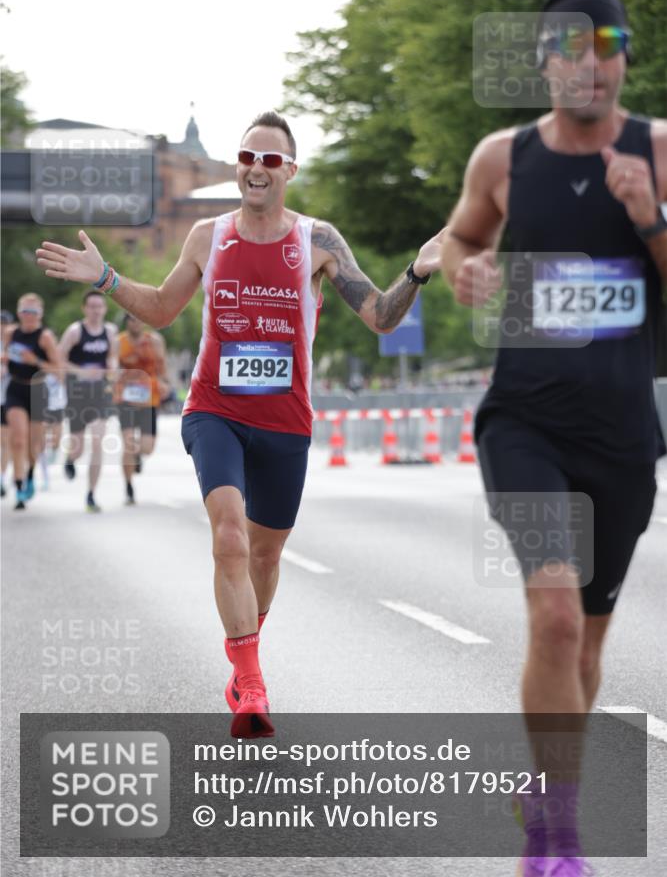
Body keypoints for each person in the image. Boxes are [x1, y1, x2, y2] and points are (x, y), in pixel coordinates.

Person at [36, 110, 443, 738]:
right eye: (248, 157)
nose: (258, 169)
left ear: (290, 171)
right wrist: (109, 279)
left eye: (271, 160)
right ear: (238, 166)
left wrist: (415, 271)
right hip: (214, 412)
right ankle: (250, 679)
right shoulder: (207, 235)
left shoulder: (318, 241)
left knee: (264, 552)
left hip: (285, 421)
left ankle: (244, 648)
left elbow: (382, 317)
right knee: (228, 535)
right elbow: (165, 310)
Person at [440, 0, 666, 877]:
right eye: (571, 45)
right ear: (544, 61)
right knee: (556, 614)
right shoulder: (502, 158)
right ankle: (560, 838)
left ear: (621, 55)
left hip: (620, 431)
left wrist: (649, 218)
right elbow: (460, 239)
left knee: (590, 640)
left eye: (607, 41)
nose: (591, 59)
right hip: (523, 421)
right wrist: (464, 270)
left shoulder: (658, 151)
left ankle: (545, 789)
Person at [59, 289, 117, 512]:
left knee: (98, 442)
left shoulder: (110, 332)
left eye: (99, 306)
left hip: (100, 393)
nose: (95, 311)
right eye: (91, 306)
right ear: (84, 308)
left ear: (104, 309)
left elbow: (113, 356)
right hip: (77, 394)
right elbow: (58, 358)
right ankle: (70, 459)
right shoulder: (75, 331)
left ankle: (91, 494)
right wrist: (79, 372)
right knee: (79, 446)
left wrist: (111, 366)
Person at [3, 293, 62, 510]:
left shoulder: (45, 337)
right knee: (17, 439)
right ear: (19, 313)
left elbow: (58, 370)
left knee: (34, 446)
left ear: (40, 314)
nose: (28, 316)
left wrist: (35, 360)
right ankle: (18, 487)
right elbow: (5, 355)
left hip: (37, 390)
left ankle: (29, 474)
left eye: (33, 312)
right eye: (24, 311)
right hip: (16, 388)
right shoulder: (11, 333)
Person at [113, 312, 168, 505]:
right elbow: (111, 365)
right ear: (126, 322)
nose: (135, 323)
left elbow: (162, 368)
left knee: (146, 447)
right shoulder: (119, 342)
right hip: (125, 396)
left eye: (139, 319)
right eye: (131, 320)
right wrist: (114, 375)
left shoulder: (154, 340)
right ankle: (128, 487)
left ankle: (138, 455)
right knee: (128, 442)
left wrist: (163, 383)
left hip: (148, 398)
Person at [1, 309, 15, 498]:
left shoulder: (16, 346)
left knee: (5, 441)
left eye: (5, 325)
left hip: (9, 398)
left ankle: (2, 478)